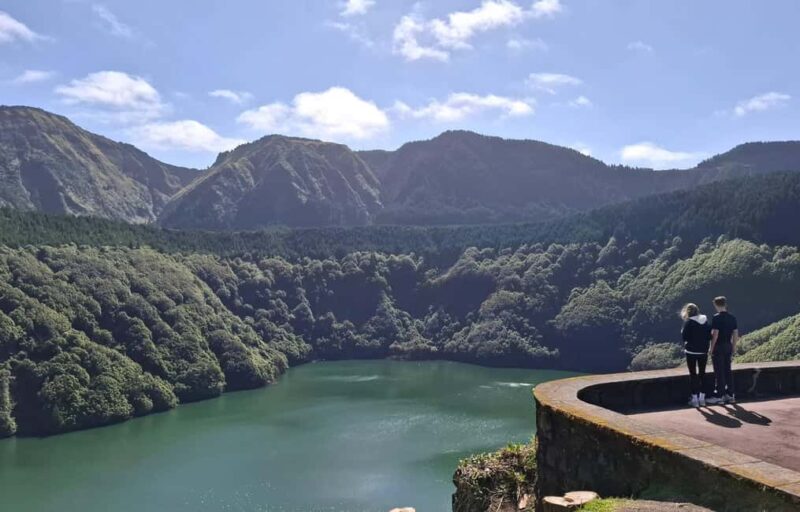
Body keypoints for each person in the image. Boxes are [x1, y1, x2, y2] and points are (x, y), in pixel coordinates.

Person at [707, 296, 739, 404]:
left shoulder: (716, 318)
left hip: (718, 347)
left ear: (716, 305)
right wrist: (734, 346)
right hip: (728, 346)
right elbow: (735, 334)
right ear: (725, 304)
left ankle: (720, 395)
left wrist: (711, 348)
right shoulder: (732, 317)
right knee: (728, 370)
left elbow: (715, 334)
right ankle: (730, 394)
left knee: (719, 371)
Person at [681, 303, 711, 407]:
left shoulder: (689, 322)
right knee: (702, 374)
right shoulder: (705, 321)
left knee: (693, 374)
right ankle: (702, 399)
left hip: (691, 351)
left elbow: (684, 337)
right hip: (703, 351)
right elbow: (709, 336)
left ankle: (695, 399)